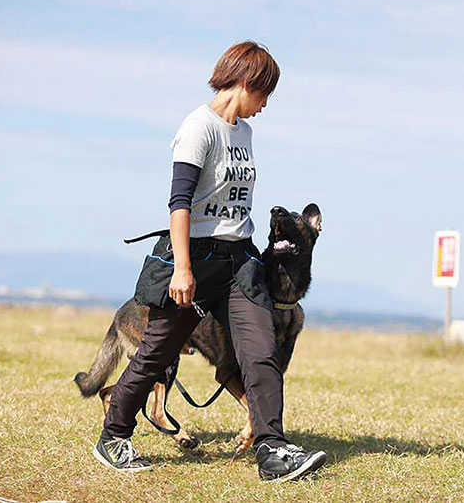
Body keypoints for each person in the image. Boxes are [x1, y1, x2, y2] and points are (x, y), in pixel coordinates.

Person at [91, 41, 327, 483]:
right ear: (245, 81)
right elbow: (179, 202)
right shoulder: (199, 128)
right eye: (265, 95)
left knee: (261, 353)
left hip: (240, 262)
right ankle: (114, 435)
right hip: (197, 262)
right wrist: (182, 268)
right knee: (155, 352)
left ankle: (272, 450)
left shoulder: (245, 133)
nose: (264, 106)